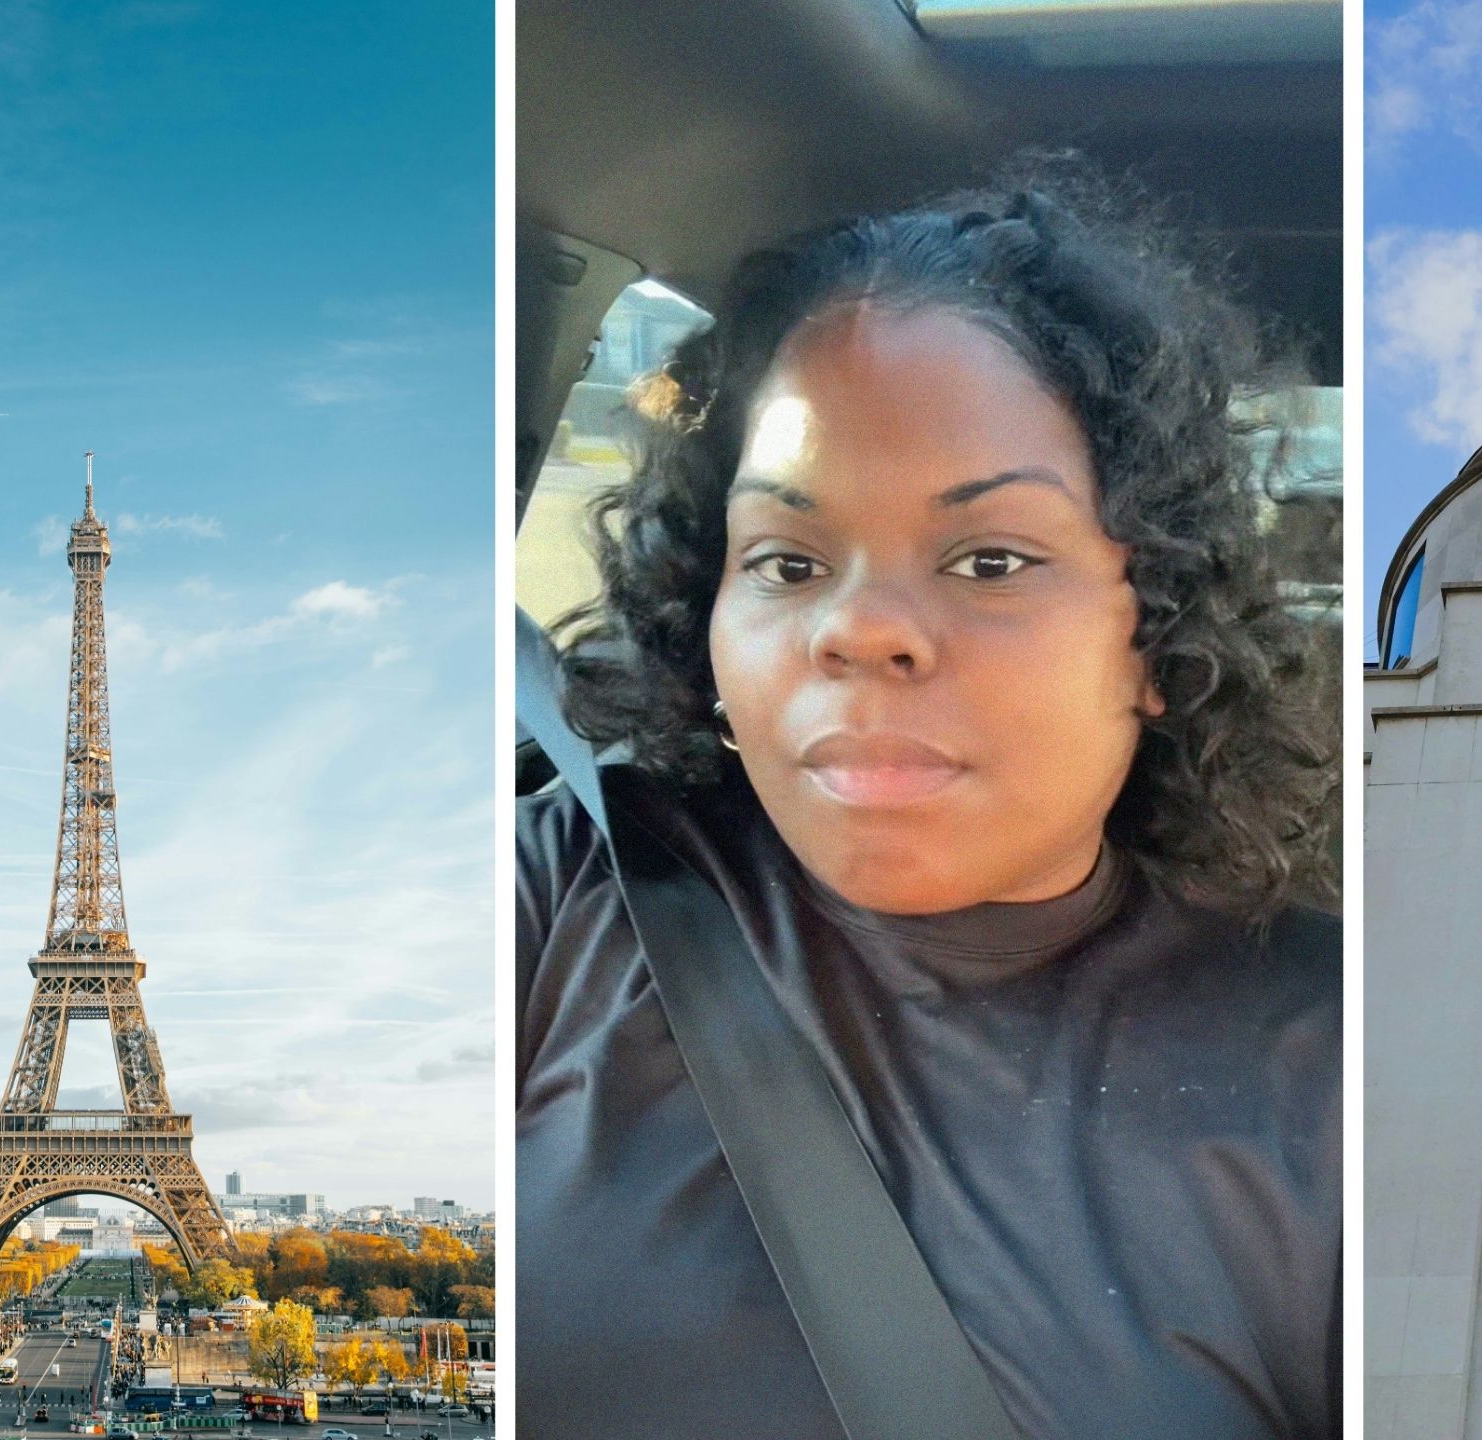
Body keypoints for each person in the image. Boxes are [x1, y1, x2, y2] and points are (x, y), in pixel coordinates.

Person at [516, 160, 1340, 1439]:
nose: (861, 630)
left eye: (991, 559)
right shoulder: (564, 885)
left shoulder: (1344, 1067)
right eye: (787, 560)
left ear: (1160, 634)